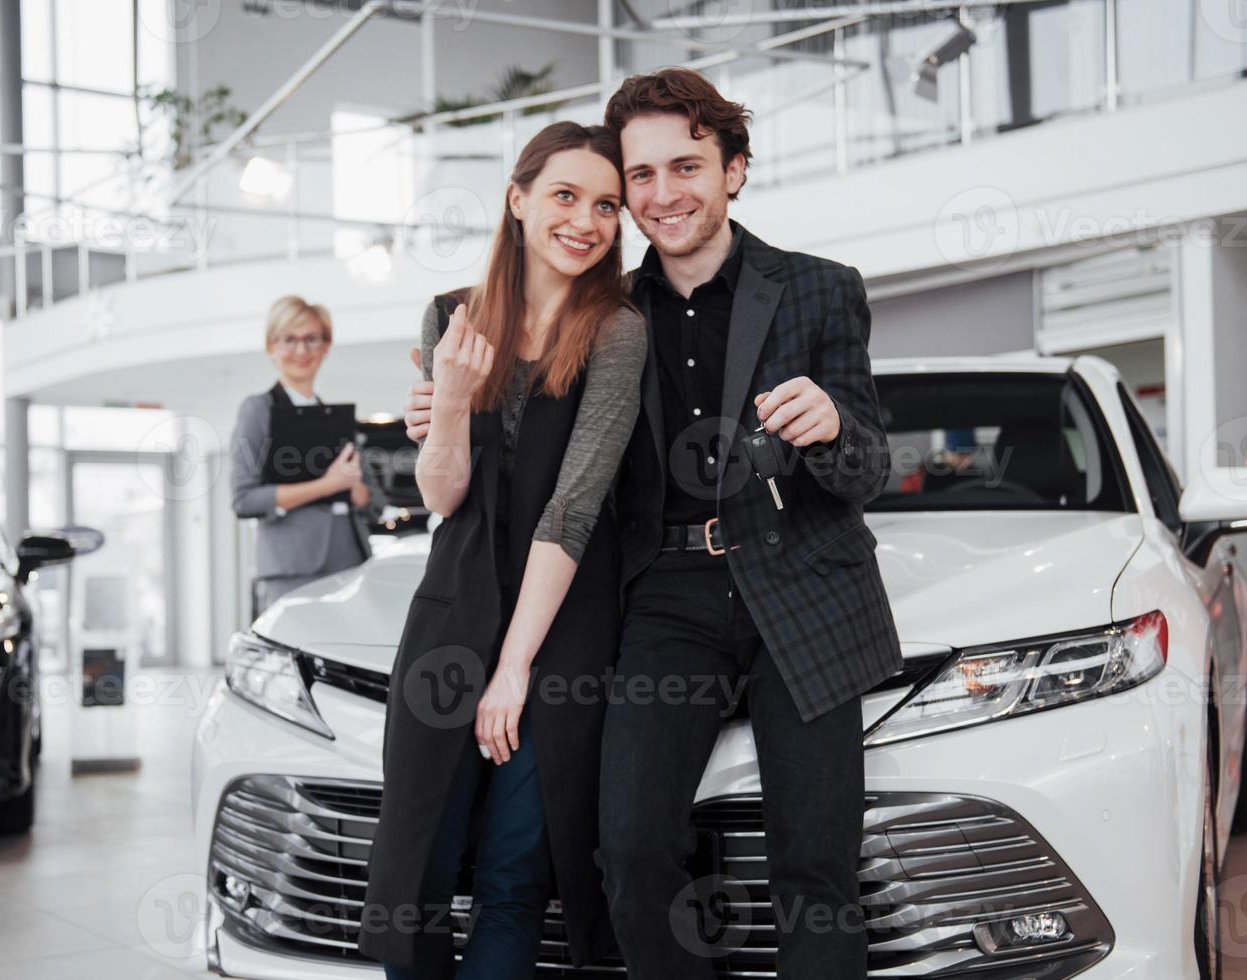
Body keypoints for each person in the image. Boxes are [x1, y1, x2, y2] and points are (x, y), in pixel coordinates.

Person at [406, 68, 903, 979]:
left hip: (809, 588)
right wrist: (446, 409)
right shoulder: (602, 311)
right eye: (642, 176)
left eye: (688, 167)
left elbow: (871, 465)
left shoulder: (821, 290)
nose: (663, 194)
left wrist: (833, 426)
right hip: (664, 598)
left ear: (735, 171)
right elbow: (537, 443)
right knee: (628, 854)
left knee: (815, 870)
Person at [359, 121, 646, 980]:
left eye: (605, 204)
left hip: (563, 628)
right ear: (518, 199)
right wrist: (448, 400)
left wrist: (516, 666)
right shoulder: (452, 316)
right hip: (453, 610)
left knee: (516, 874)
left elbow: (575, 504)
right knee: (417, 868)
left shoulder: (617, 331)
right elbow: (441, 498)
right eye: (565, 196)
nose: (586, 221)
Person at [229, 295, 380, 615]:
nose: (302, 350)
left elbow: (373, 503)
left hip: (351, 560)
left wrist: (355, 489)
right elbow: (244, 500)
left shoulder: (339, 422)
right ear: (272, 347)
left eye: (312, 339)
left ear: (326, 346)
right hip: (292, 568)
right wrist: (328, 485)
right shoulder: (259, 410)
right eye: (290, 340)